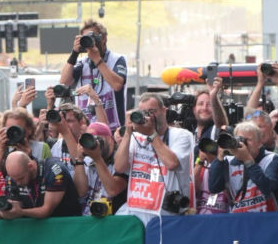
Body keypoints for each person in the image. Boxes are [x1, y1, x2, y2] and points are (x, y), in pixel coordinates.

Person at [113, 93, 195, 222]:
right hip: (136, 211)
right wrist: (128, 133)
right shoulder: (136, 137)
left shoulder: (182, 135)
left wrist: (151, 134)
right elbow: (119, 167)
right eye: (144, 113)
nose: (148, 117)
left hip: (166, 214)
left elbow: (172, 164)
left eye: (152, 111)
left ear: (164, 111)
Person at [59, 20, 127, 131]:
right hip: (86, 129)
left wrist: (97, 60)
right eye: (85, 38)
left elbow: (117, 85)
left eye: (93, 37)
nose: (90, 41)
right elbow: (64, 81)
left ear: (103, 38)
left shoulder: (117, 59)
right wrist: (74, 53)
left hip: (114, 129)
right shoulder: (82, 62)